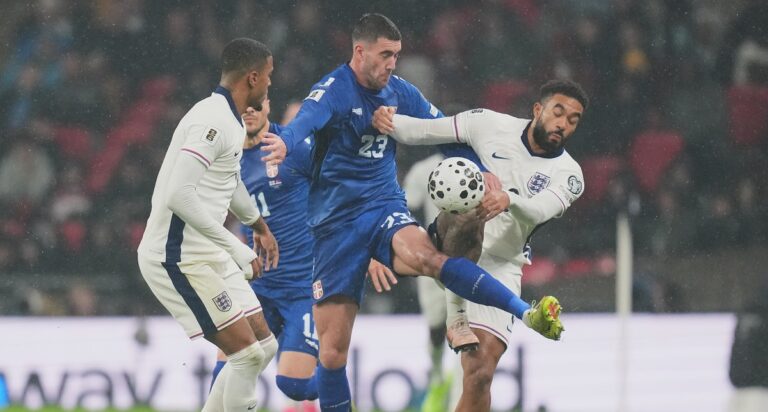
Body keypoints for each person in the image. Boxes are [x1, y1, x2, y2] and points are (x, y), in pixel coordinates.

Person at [259, 14, 563, 411]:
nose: (391, 64)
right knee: (332, 354)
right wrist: (286, 142)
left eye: (396, 56)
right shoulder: (334, 88)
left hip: (381, 206)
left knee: (429, 257)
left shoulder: (400, 92)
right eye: (385, 55)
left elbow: (445, 132)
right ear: (360, 52)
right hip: (335, 228)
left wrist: (484, 170)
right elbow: (306, 121)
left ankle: (526, 313)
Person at [373, 79, 589, 412]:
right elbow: (424, 131)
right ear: (538, 109)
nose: (563, 124)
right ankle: (455, 314)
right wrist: (385, 120)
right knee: (468, 195)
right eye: (558, 112)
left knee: (479, 375)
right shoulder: (489, 124)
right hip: (449, 240)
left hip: (503, 263)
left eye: (573, 120)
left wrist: (509, 199)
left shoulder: (569, 174)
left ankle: (455, 310)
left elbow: (539, 209)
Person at [209, 100, 397, 410]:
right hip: (257, 286)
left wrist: (371, 243)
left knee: (293, 385)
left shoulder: (293, 148)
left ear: (269, 104)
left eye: (257, 105)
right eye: (244, 106)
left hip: (303, 288)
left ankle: (333, 378)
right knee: (226, 368)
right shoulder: (227, 160)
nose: (250, 112)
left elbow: (343, 189)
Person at [137, 38, 279, 411]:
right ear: (251, 78)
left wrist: (258, 224)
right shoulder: (211, 120)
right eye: (267, 77)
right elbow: (179, 196)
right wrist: (237, 246)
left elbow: (226, 181)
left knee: (265, 348)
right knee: (246, 356)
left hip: (204, 253)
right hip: (176, 257)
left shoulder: (229, 119)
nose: (269, 86)